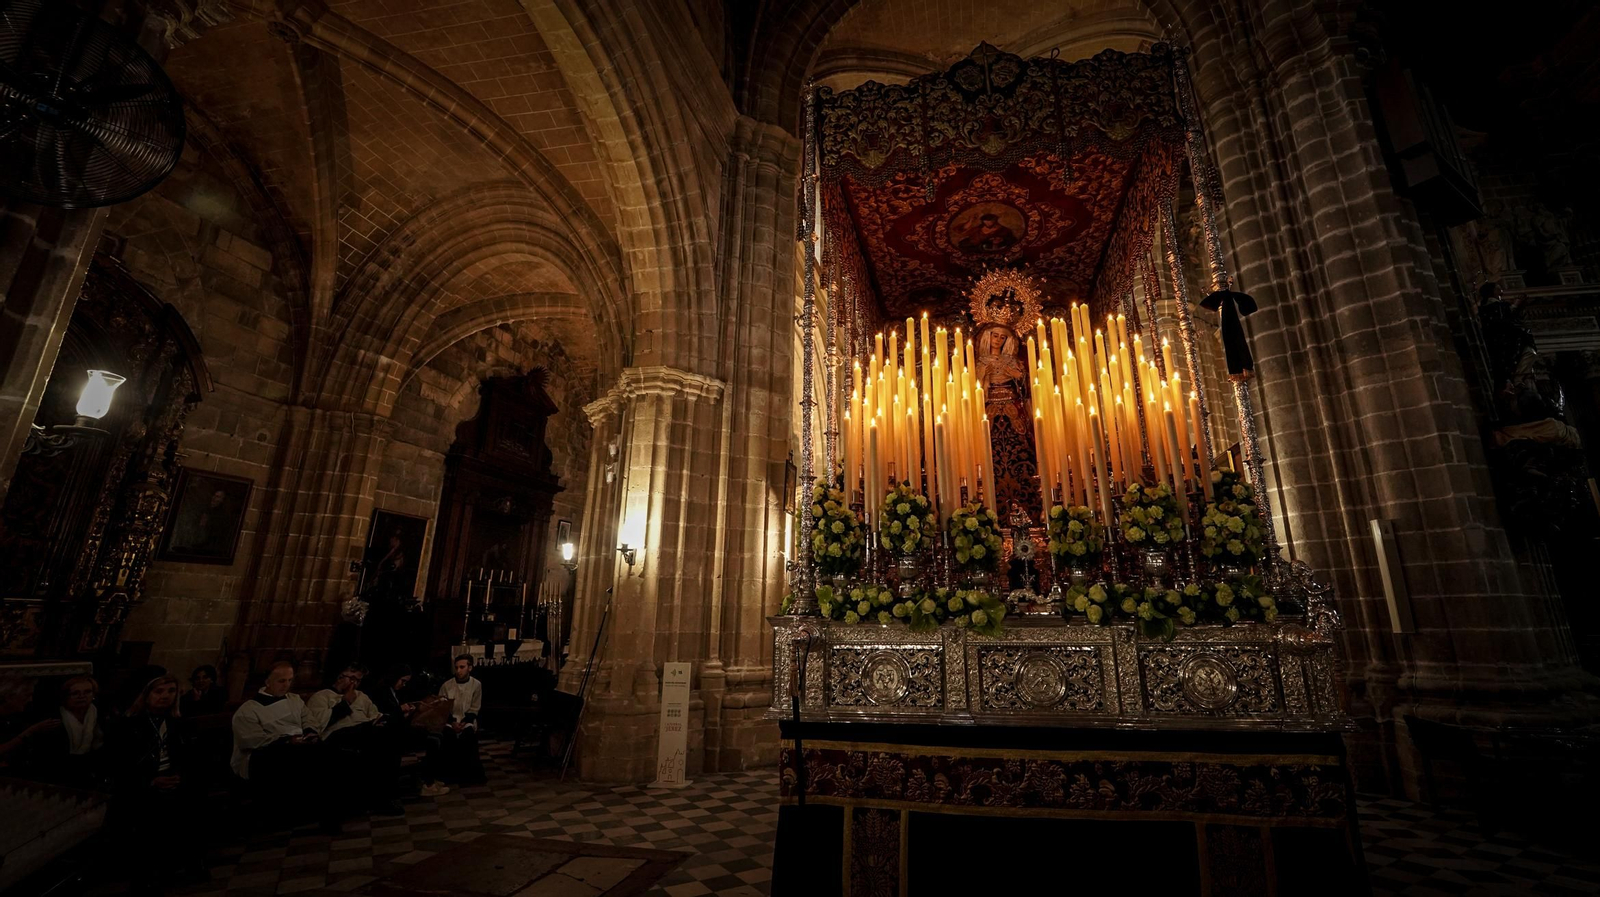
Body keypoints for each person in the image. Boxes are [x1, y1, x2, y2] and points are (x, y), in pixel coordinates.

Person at [107, 675, 204, 891]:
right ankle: (145, 875)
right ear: (146, 694)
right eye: (159, 692)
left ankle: (176, 868)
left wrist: (180, 776)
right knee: (149, 818)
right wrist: (150, 780)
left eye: (171, 691)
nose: (165, 696)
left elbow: (191, 756)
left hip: (174, 781)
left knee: (185, 808)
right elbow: (119, 764)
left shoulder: (179, 722)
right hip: (142, 786)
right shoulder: (128, 725)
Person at [231, 661, 331, 829]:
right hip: (263, 755)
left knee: (325, 752)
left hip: (297, 745)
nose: (286, 685)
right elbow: (250, 739)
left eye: (290, 680)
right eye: (281, 681)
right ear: (267, 681)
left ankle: (321, 809)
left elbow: (308, 718)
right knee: (290, 758)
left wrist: (310, 732)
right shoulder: (249, 709)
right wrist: (285, 740)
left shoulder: (294, 700)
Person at [306, 664, 402, 816]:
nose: (353, 684)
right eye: (351, 678)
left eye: (357, 680)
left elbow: (374, 714)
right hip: (337, 736)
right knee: (377, 739)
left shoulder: (362, 697)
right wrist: (345, 703)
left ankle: (385, 797)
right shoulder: (321, 696)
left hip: (365, 732)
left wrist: (381, 720)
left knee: (388, 737)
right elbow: (317, 723)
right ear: (339, 677)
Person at [421, 655, 484, 795]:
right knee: (448, 736)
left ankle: (467, 775)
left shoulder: (476, 685)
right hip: (449, 720)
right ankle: (447, 775)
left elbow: (475, 707)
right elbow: (441, 707)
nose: (458, 670)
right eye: (456, 667)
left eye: (462, 667)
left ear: (470, 668)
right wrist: (452, 721)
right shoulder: (446, 685)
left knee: (468, 736)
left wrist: (464, 722)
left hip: (466, 720)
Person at [37, 675, 106, 786]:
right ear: (65, 696)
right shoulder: (54, 718)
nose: (82, 696)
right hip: (59, 772)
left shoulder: (99, 714)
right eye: (75, 693)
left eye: (87, 692)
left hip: (90, 769)